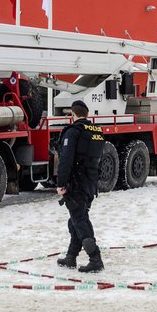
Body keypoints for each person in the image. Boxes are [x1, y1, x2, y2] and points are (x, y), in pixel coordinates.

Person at [55, 100, 106, 273]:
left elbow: (66, 159)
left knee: (80, 220)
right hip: (90, 183)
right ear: (87, 114)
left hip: (76, 183)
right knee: (76, 219)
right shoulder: (96, 131)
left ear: (73, 114)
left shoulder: (73, 132)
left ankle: (95, 259)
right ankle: (71, 257)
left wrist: (61, 183)